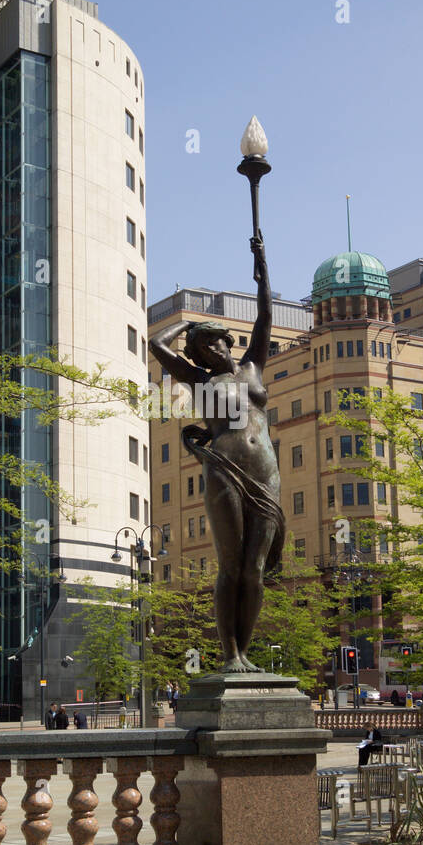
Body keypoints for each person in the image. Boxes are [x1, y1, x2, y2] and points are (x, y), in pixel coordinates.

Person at [149, 234, 284, 673]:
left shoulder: (253, 367)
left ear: (229, 342)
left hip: (265, 474)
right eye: (207, 347)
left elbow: (265, 313)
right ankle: (231, 656)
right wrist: (189, 326)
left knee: (255, 571)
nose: (216, 350)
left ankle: (246, 654)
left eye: (220, 342)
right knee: (230, 565)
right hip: (225, 470)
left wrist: (261, 265)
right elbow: (157, 346)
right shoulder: (198, 380)